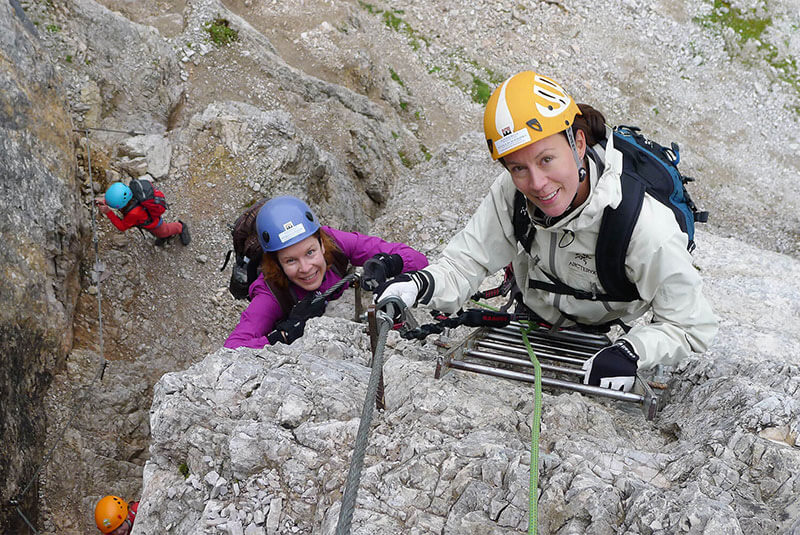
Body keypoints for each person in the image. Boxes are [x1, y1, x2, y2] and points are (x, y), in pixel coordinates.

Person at [375, 70, 718, 392]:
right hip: (531, 315)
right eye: (518, 168)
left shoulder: (642, 224)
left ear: (578, 144)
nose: (537, 184)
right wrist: (417, 285)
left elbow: (690, 325)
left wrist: (633, 351)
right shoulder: (512, 195)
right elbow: (464, 265)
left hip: (601, 329)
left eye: (546, 160)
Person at [224, 195, 428, 349]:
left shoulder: (336, 243)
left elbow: (418, 260)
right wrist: (282, 336)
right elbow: (232, 349)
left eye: (310, 252)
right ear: (277, 263)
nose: (305, 268)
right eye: (291, 260)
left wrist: (387, 264)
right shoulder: (271, 293)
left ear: (322, 243)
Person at [96, 181, 191, 246]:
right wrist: (105, 202)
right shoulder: (131, 194)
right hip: (147, 220)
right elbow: (118, 198)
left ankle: (180, 227)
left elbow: (122, 226)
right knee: (157, 233)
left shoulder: (133, 213)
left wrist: (108, 212)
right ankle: (163, 236)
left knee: (164, 231)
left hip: (153, 224)